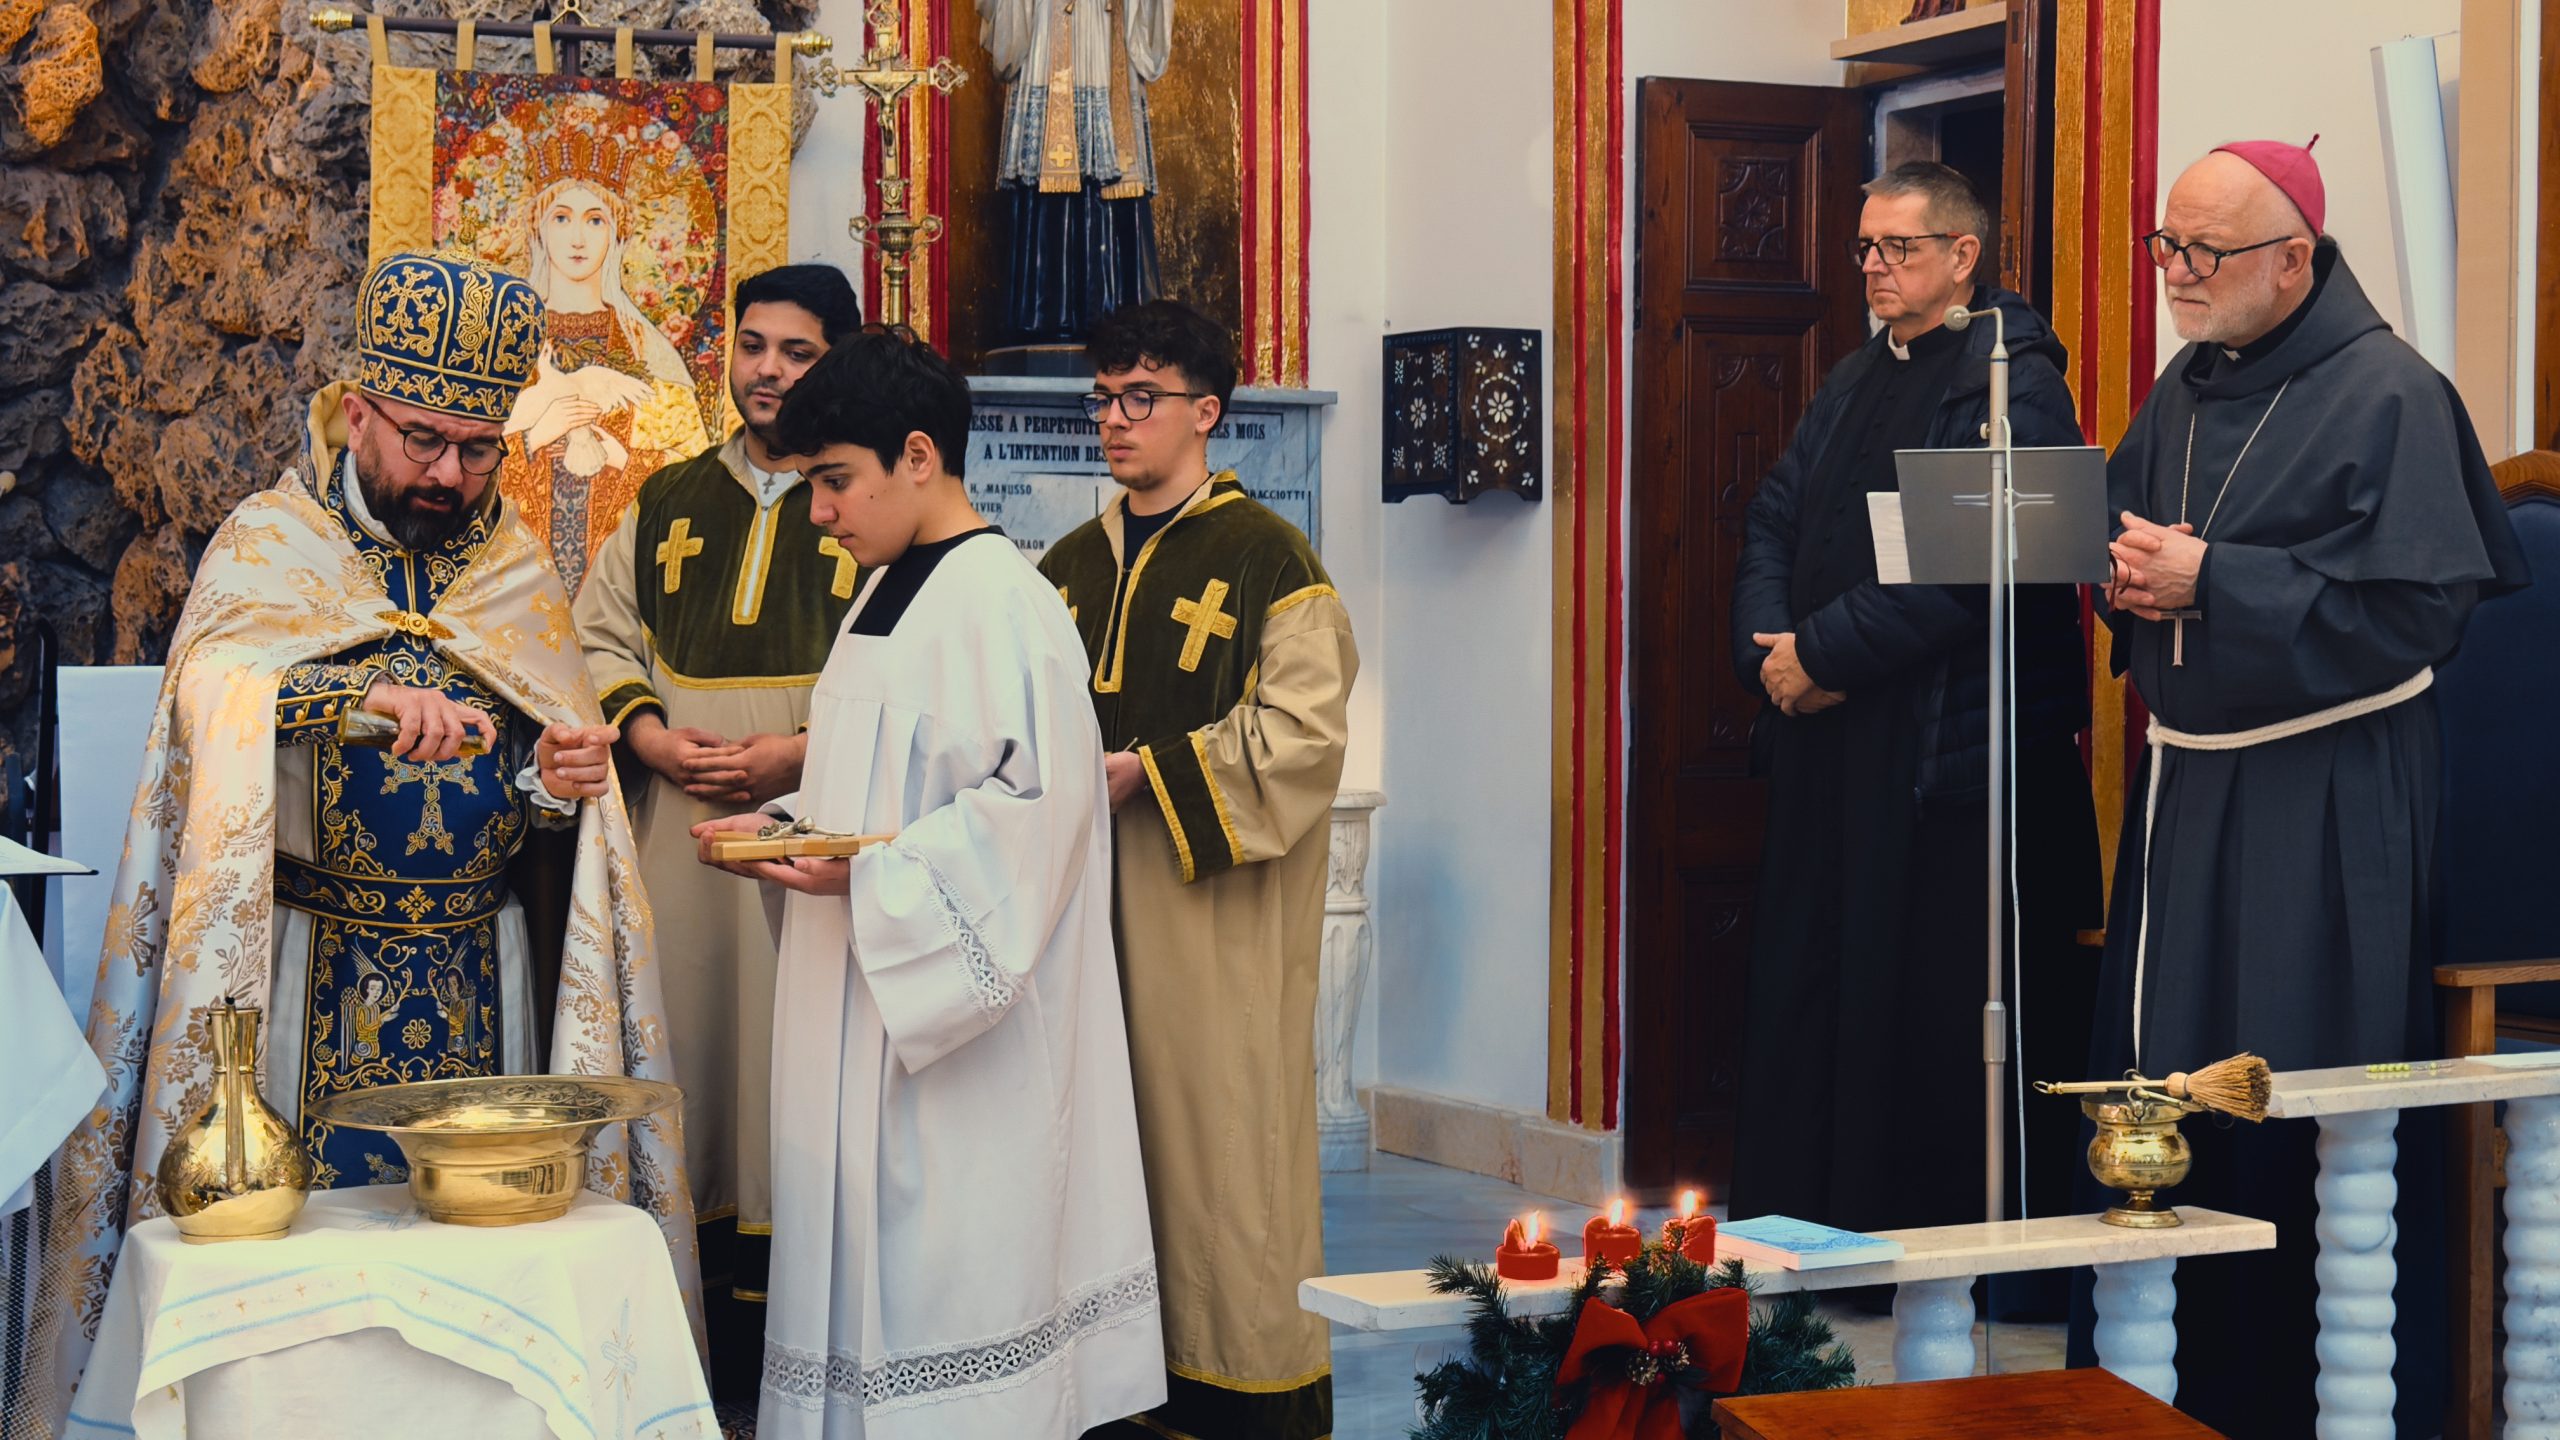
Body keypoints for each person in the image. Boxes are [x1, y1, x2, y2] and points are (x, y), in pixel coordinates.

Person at [7, 253, 698, 1436]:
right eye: (424, 441)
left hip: (483, 979)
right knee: (303, 1279)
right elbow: (208, 698)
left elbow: (537, 785)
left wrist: (557, 783)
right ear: (359, 409)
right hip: (302, 979)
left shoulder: (513, 570)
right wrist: (352, 699)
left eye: (478, 451)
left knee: (470, 1272)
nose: (449, 475)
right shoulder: (270, 543)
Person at [2076, 140, 2528, 1437]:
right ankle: (2167, 1386)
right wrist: (2130, 578)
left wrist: (2214, 579)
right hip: (2190, 787)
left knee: (2290, 1084)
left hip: (2325, 789)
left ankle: (2299, 1398)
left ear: (2294, 258)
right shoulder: (2186, 384)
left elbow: (2419, 612)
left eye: (2202, 252)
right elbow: (2132, 543)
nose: (2175, 273)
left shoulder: (2394, 393)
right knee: (2167, 1086)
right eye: (2165, 245)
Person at [685, 332, 1164, 1438]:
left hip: (956, 1051)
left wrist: (868, 875)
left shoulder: (1007, 604)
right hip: (855, 1003)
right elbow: (881, 789)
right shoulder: (880, 592)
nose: (818, 513)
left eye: (833, 481)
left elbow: (1036, 825)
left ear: (917, 456)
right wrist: (788, 828)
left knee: (949, 1296)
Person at [1726, 162, 2099, 1240]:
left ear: (1963, 255)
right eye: (1866, 248)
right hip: (1827, 749)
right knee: (1813, 995)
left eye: (1898, 247)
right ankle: (1805, 1228)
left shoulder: (2012, 381)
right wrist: (1769, 652)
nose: (1874, 268)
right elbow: (1773, 517)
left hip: (1938, 765)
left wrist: (1823, 655)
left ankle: (1916, 1243)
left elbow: (1967, 569)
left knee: (1916, 1013)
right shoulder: (1854, 374)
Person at [1039, 299, 1358, 1440]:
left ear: (1205, 411)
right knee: (1094, 1152)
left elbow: (1303, 740)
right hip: (1079, 916)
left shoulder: (1270, 559)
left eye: (1142, 397)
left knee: (1221, 1167)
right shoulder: (1065, 567)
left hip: (1211, 927)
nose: (1115, 420)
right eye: (1104, 398)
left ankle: (1239, 1398)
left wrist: (1149, 772)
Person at [572, 262, 864, 1399]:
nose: (768, 371)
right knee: (688, 1057)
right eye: (752, 346)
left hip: (810, 837)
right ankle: (687, 1353)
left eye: (797, 352)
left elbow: (905, 663)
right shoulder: (669, 499)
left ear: (835, 363)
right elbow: (599, 632)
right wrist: (646, 734)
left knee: (790, 1072)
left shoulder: (861, 498)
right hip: (680, 843)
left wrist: (800, 753)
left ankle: (796, 1359)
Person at [501, 128, 713, 590]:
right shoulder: (507, 340)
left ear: (618, 234)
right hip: (514, 589)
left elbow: (696, 472)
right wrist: (533, 439)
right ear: (538, 230)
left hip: (621, 581)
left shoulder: (647, 349)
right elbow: (455, 453)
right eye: (561, 218)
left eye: (595, 220)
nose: (577, 238)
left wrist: (625, 459)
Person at [978, 0, 1171, 347]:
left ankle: (1118, 310)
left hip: (1107, 35)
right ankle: (1046, 314)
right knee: (1050, 159)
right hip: (1046, 33)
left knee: (1112, 168)